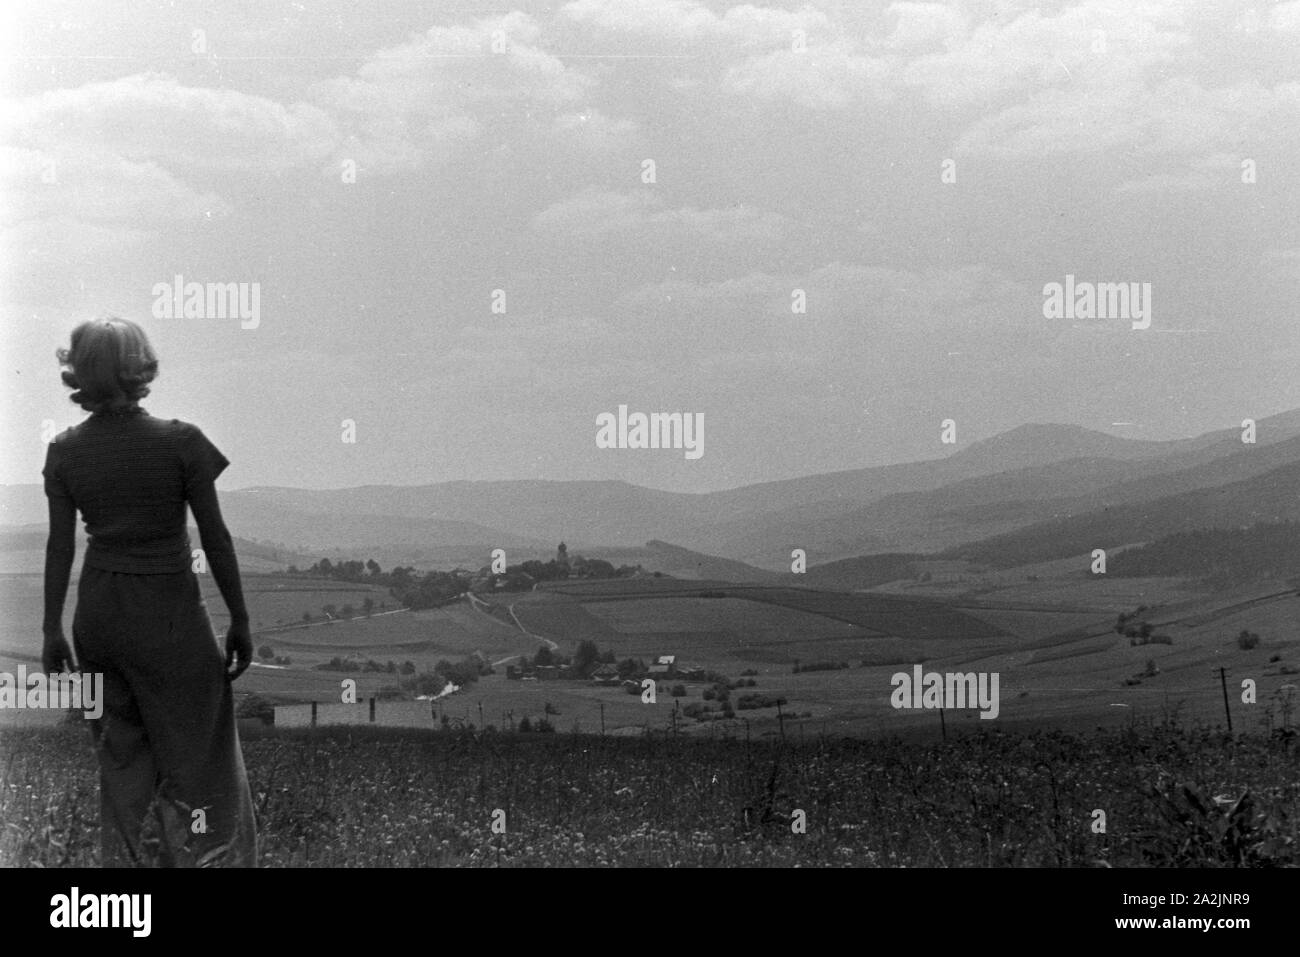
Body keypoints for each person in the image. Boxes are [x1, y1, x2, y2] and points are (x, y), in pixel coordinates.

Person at [42, 316, 257, 867]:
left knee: (120, 758)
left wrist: (50, 630)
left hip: (98, 616)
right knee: (203, 761)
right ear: (141, 367)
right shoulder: (182, 443)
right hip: (170, 614)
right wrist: (240, 619)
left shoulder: (65, 452)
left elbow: (60, 548)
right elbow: (217, 538)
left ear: (79, 371)